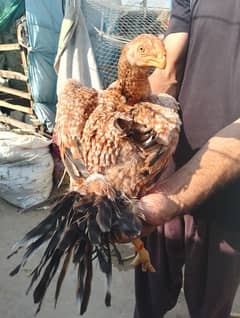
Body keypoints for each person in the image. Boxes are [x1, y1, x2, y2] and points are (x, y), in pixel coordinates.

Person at [134, 1, 240, 318]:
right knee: (151, 288)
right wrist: (130, 132)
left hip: (230, 190)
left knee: (209, 304)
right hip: (170, 161)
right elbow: (166, 70)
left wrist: (173, 196)